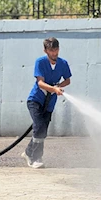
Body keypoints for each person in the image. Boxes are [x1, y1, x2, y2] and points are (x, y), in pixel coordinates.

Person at [22, 37, 71, 169]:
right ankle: (35, 158)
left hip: (49, 103)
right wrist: (53, 88)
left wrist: (59, 86)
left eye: (56, 50)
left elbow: (68, 80)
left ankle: (28, 152)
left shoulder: (63, 63)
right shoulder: (40, 62)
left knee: (42, 129)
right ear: (45, 50)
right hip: (36, 100)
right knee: (39, 127)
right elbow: (40, 83)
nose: (54, 53)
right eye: (51, 50)